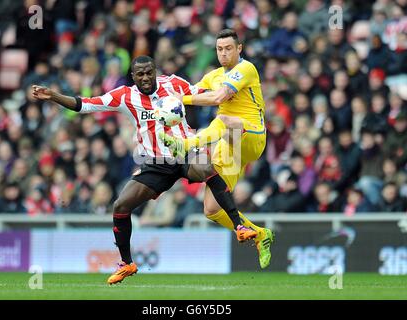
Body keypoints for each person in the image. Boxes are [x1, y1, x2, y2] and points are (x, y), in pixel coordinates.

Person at [32, 55, 263, 285]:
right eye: (140, 74)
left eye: (149, 72)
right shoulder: (124, 95)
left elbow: (205, 95)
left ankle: (239, 226)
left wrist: (234, 99)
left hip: (184, 150)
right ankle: (127, 263)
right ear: (133, 76)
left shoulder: (173, 83)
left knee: (206, 167)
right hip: (156, 163)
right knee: (121, 206)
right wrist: (53, 96)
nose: (145, 78)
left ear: (155, 71)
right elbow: (84, 105)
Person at [161, 29, 274, 269]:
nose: (223, 53)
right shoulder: (213, 76)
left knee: (224, 119)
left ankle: (187, 145)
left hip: (252, 136)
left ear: (239, 49)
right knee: (212, 209)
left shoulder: (246, 69)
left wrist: (181, 100)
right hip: (229, 144)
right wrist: (164, 94)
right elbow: (190, 91)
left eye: (228, 48)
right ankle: (260, 234)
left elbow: (218, 98)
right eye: (219, 49)